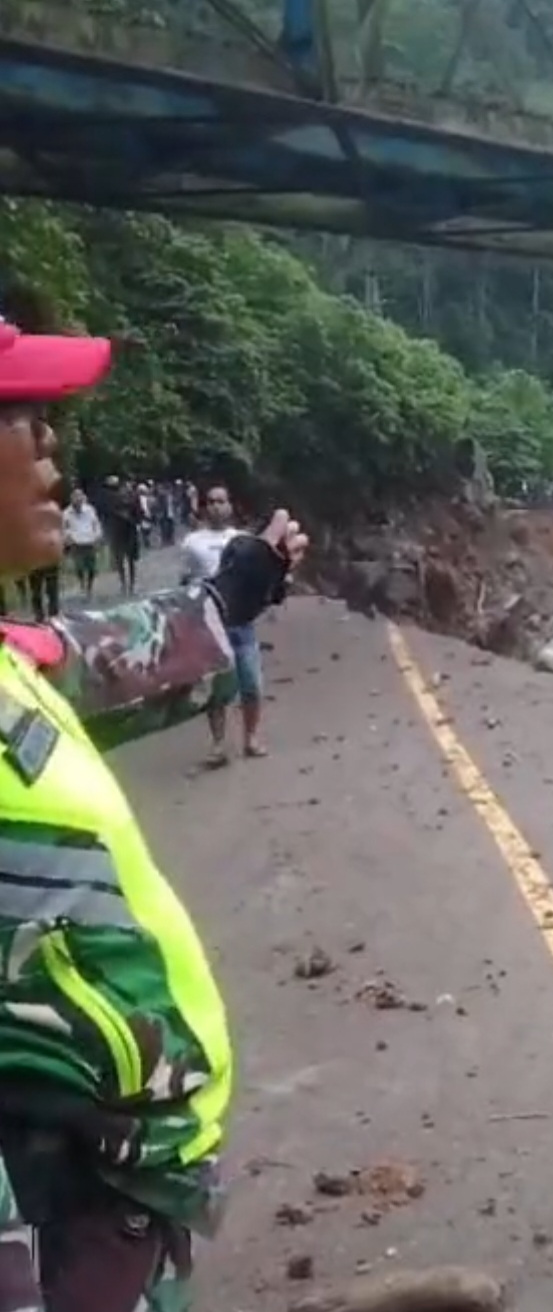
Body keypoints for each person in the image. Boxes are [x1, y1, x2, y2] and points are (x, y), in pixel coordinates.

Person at [0, 313, 307, 1312]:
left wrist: (241, 586)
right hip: (55, 1235)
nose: (51, 445)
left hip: (115, 1197)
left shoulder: (10, 652)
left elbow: (97, 655)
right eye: (17, 415)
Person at [179, 485, 267, 765]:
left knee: (251, 684)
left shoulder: (243, 540)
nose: (217, 506)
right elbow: (185, 581)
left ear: (230, 506)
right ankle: (218, 744)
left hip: (241, 622)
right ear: (204, 507)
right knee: (217, 688)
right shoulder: (192, 543)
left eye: (222, 501)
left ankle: (251, 738)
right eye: (212, 501)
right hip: (210, 624)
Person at [100, 476, 140, 596]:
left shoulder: (132, 496)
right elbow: (106, 513)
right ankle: (124, 583)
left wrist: (134, 519)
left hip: (128, 529)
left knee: (129, 558)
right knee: (121, 559)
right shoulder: (107, 498)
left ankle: (131, 584)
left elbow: (137, 511)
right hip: (117, 530)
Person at [62, 486, 103, 597]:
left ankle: (89, 587)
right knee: (79, 567)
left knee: (92, 568)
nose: (78, 501)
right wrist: (67, 538)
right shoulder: (66, 513)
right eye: (75, 498)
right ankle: (82, 585)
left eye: (79, 498)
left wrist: (98, 536)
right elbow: (65, 528)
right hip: (76, 543)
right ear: (72, 500)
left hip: (90, 541)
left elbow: (96, 524)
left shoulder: (90, 510)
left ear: (82, 499)